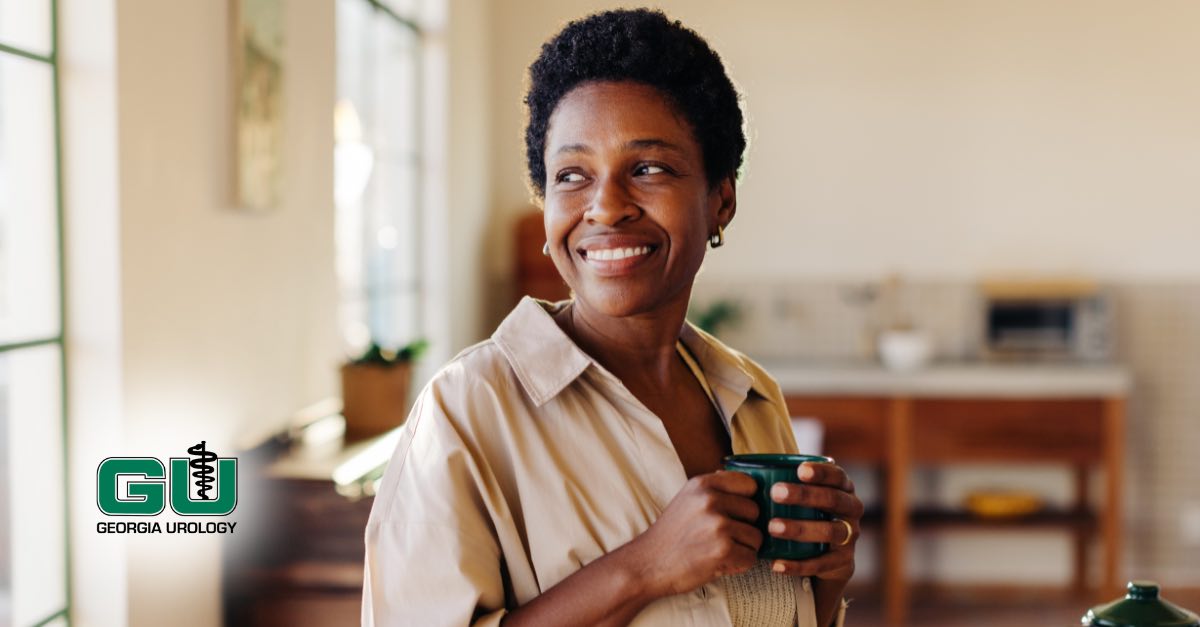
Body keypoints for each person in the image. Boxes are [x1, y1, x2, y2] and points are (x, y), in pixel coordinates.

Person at [363, 8, 863, 627]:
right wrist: (647, 567)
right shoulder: (466, 413)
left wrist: (826, 578)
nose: (606, 207)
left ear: (721, 202)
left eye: (648, 168)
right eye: (571, 176)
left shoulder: (753, 400)